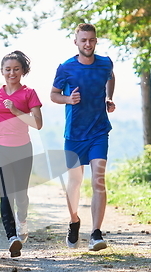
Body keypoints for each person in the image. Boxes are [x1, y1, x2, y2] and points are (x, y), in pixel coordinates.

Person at [50, 23, 116, 251]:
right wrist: (68, 100)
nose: (88, 44)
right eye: (83, 40)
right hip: (74, 135)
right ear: (76, 42)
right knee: (75, 183)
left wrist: (108, 98)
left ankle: (96, 234)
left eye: (92, 40)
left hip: (99, 131)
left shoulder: (105, 63)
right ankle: (74, 221)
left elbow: (111, 77)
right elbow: (53, 95)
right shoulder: (66, 68)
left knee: (98, 180)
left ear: (96, 41)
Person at [0, 50, 43, 257]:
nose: (12, 73)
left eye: (16, 69)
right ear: (2, 71)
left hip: (21, 149)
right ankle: (12, 238)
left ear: (23, 71)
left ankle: (23, 221)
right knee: (5, 194)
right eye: (8, 69)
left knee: (20, 195)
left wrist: (17, 111)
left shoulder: (29, 93)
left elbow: (38, 124)